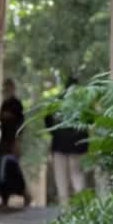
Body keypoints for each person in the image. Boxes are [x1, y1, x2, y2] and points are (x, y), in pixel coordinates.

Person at [44, 77, 88, 205]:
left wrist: (55, 134)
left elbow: (48, 122)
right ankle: (81, 210)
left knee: (61, 181)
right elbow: (90, 120)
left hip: (59, 145)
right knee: (78, 178)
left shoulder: (57, 101)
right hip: (78, 146)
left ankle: (65, 210)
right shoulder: (82, 102)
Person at [0, 77, 30, 207]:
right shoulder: (4, 104)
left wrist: (17, 141)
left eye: (9, 87)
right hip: (4, 142)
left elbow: (21, 124)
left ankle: (25, 194)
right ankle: (4, 198)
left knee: (13, 169)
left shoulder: (17, 104)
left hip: (13, 141)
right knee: (0, 169)